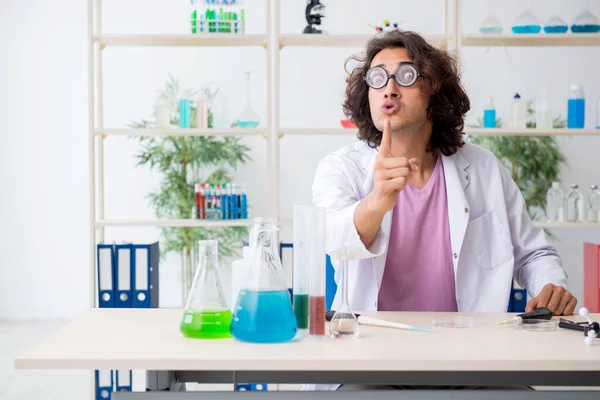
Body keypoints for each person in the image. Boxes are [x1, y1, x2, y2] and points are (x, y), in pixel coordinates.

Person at [309, 30, 577, 391]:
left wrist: (550, 287)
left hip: (476, 360)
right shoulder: (340, 168)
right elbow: (334, 240)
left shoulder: (483, 168)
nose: (388, 89)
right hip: (371, 360)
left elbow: (534, 253)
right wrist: (378, 201)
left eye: (405, 76)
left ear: (434, 89)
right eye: (377, 79)